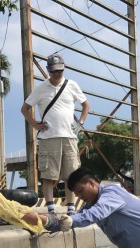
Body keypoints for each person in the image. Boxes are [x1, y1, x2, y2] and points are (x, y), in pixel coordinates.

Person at [21, 53, 89, 216]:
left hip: (70, 137)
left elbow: (85, 104)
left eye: (60, 71)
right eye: (54, 71)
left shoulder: (71, 85)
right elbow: (24, 108)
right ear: (48, 71)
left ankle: (71, 208)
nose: (57, 74)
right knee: (48, 175)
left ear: (64, 69)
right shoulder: (41, 88)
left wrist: (80, 123)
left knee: (71, 174)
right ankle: (51, 209)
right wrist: (35, 124)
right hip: (48, 137)